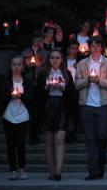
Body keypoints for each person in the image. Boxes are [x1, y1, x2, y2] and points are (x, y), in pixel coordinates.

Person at [75, 36, 107, 180]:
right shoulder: (81, 64)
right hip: (87, 105)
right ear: (89, 47)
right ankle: (93, 171)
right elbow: (76, 84)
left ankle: (101, 163)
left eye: (98, 46)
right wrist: (87, 80)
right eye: (92, 46)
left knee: (102, 136)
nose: (95, 48)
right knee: (90, 138)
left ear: (102, 47)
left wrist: (99, 81)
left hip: (103, 105)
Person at [37, 49, 76, 181]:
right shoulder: (43, 74)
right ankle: (51, 171)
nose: (55, 60)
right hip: (48, 106)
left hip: (62, 107)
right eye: (52, 58)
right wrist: (45, 88)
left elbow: (72, 94)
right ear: (49, 59)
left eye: (57, 58)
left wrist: (63, 88)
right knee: (49, 141)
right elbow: (38, 94)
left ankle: (58, 171)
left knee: (59, 140)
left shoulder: (67, 74)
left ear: (61, 60)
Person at [2, 55, 34, 180]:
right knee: (10, 144)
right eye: (14, 64)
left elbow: (31, 98)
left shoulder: (27, 82)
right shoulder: (6, 81)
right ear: (11, 66)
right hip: (8, 116)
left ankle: (22, 169)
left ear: (22, 66)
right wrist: (11, 96)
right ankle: (13, 170)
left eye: (19, 64)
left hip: (23, 117)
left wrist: (22, 96)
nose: (16, 67)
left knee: (21, 144)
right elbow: (0, 97)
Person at [20, 30, 48, 145]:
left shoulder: (45, 53)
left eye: (40, 40)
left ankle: (37, 130)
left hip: (41, 85)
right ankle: (32, 135)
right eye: (36, 40)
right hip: (28, 85)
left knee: (40, 110)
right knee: (31, 111)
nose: (38, 42)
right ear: (32, 40)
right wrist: (26, 67)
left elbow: (49, 68)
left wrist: (42, 69)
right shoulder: (25, 52)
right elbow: (19, 69)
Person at [65, 40, 80, 143]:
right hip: (66, 90)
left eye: (76, 48)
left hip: (77, 89)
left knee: (75, 112)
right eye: (72, 48)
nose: (74, 50)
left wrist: (79, 68)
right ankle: (67, 131)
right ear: (68, 49)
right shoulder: (63, 61)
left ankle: (73, 132)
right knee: (67, 112)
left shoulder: (81, 61)